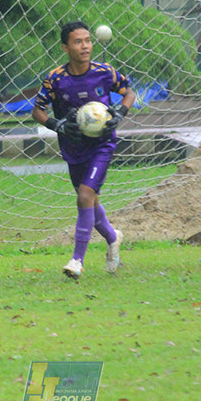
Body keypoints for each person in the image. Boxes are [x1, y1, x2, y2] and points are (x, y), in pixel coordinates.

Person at [32, 21, 136, 280]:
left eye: (88, 40)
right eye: (78, 42)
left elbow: (129, 93)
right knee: (90, 200)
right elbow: (37, 110)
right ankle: (113, 238)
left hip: (102, 145)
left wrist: (120, 113)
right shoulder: (56, 79)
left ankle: (77, 260)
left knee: (84, 197)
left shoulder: (105, 72)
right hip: (73, 148)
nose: (85, 46)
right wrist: (57, 125)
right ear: (65, 48)